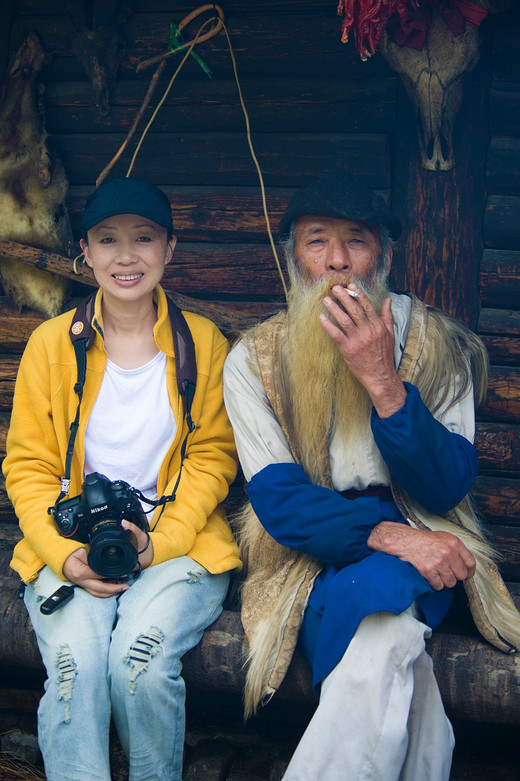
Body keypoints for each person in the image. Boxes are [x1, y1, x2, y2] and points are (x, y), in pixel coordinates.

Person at [223, 168, 520, 780]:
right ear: (292, 258)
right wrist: (391, 539)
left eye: (355, 240)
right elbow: (279, 501)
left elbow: (447, 486)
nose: (337, 261)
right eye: (316, 241)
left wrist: (385, 383)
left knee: (380, 631)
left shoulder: (438, 344)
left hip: (428, 533)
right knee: (392, 648)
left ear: (382, 255)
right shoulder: (253, 358)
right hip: (310, 549)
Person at [3, 176, 241, 781]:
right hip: (74, 543)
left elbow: (213, 455)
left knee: (139, 661)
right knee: (76, 666)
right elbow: (28, 465)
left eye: (144, 238)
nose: (126, 256)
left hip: (176, 545)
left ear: (170, 248)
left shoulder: (203, 345)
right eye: (108, 240)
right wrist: (62, 555)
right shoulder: (51, 344)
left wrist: (159, 543)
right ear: (85, 251)